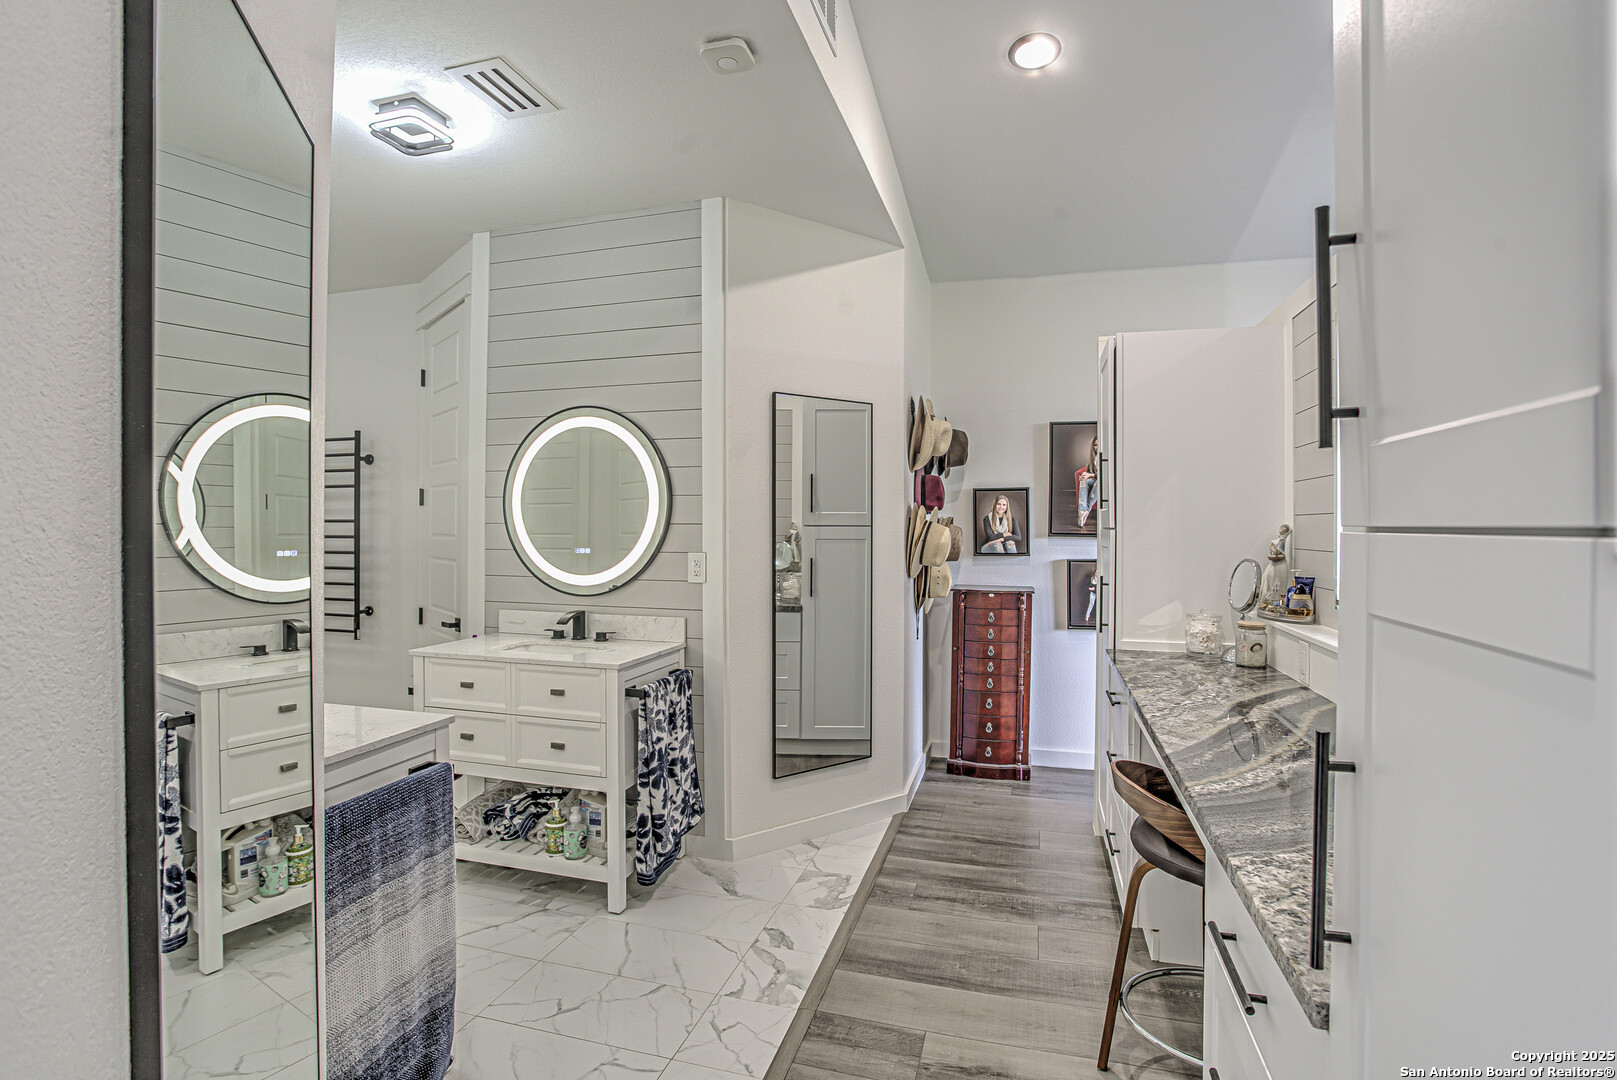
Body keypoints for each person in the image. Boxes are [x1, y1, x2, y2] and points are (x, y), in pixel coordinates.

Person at [1075, 436, 1099, 529]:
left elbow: (1106, 475)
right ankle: (1081, 511)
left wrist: (1091, 475)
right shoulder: (1094, 458)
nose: (1097, 447)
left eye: (1099, 445)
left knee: (1099, 483)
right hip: (1095, 481)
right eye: (1095, 445)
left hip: (1103, 483)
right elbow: (1090, 470)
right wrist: (1084, 476)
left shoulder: (1107, 457)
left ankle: (1086, 511)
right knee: (1084, 481)